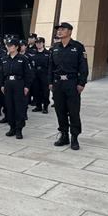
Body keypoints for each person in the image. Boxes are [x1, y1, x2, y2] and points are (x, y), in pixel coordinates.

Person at [49, 22, 89, 150]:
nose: (59, 31)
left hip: (71, 83)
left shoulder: (78, 47)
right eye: (58, 29)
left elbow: (83, 67)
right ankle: (64, 135)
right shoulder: (55, 48)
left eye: (62, 29)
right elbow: (50, 67)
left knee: (73, 111)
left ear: (70, 32)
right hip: (58, 84)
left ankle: (74, 137)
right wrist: (50, 82)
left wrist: (81, 83)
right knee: (60, 110)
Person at [0, 38, 33, 139]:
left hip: (19, 84)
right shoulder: (4, 59)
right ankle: (12, 127)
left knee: (19, 107)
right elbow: (1, 73)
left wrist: (27, 86)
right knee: (9, 107)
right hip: (8, 84)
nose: (8, 47)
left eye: (11, 45)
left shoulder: (23, 59)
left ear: (17, 47)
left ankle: (19, 129)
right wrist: (2, 85)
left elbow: (28, 74)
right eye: (7, 45)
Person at [31, 37, 50, 113]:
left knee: (45, 92)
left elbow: (50, 65)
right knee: (36, 91)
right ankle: (38, 106)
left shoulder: (48, 53)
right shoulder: (33, 53)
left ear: (43, 43)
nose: (38, 44)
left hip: (44, 74)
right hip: (36, 74)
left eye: (40, 43)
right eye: (37, 43)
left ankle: (45, 107)